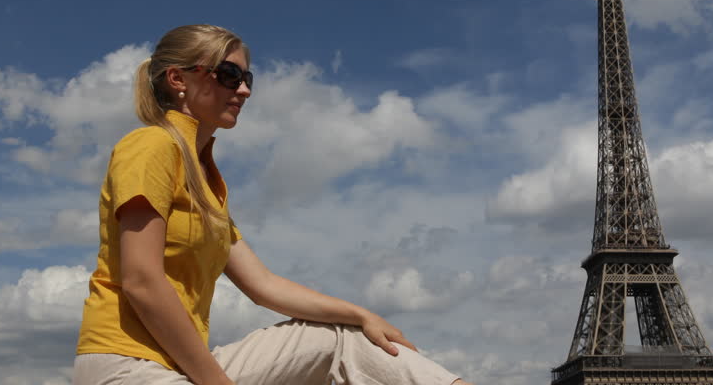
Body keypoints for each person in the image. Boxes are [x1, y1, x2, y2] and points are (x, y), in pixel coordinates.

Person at [73, 24, 472, 385]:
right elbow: (142, 281)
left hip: (180, 367)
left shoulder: (207, 184)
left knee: (341, 337)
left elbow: (264, 286)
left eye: (246, 78)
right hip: (125, 367)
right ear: (178, 79)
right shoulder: (150, 145)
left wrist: (361, 314)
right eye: (229, 75)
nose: (243, 90)